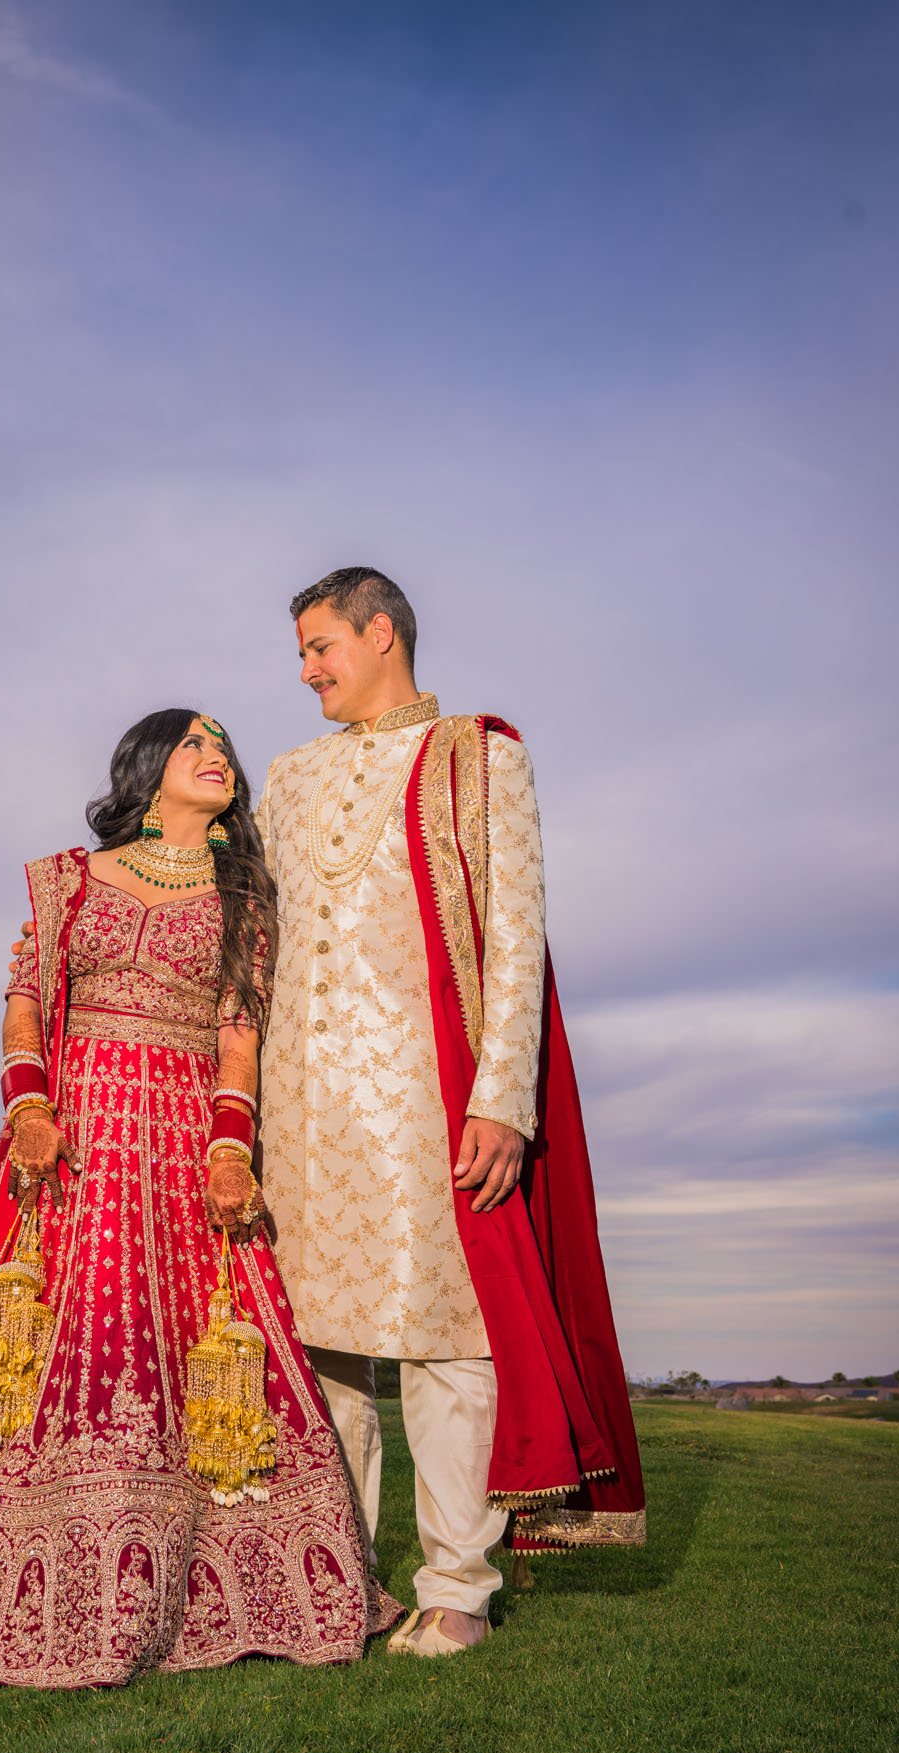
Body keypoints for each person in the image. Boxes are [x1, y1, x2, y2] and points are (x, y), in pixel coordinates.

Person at [0, 710, 399, 1691]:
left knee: (197, 1360)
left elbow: (238, 1039)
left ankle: (213, 1584)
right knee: (70, 1345)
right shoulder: (68, 879)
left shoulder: (244, 903)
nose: (216, 757)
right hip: (74, 1146)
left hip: (181, 1145)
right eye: (196, 744)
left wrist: (231, 1154)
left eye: (223, 748)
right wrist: (28, 1109)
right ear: (149, 770)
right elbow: (22, 1003)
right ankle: (38, 1591)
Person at [253, 567, 645, 1659]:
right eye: (299, 652)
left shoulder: (479, 752)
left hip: (426, 1094)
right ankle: (335, 1583)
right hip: (301, 1099)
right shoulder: (284, 779)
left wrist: (502, 1098)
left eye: (321, 645)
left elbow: (516, 932)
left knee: (440, 1344)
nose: (306, 670)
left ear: (383, 634)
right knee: (317, 1352)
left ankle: (456, 1588)